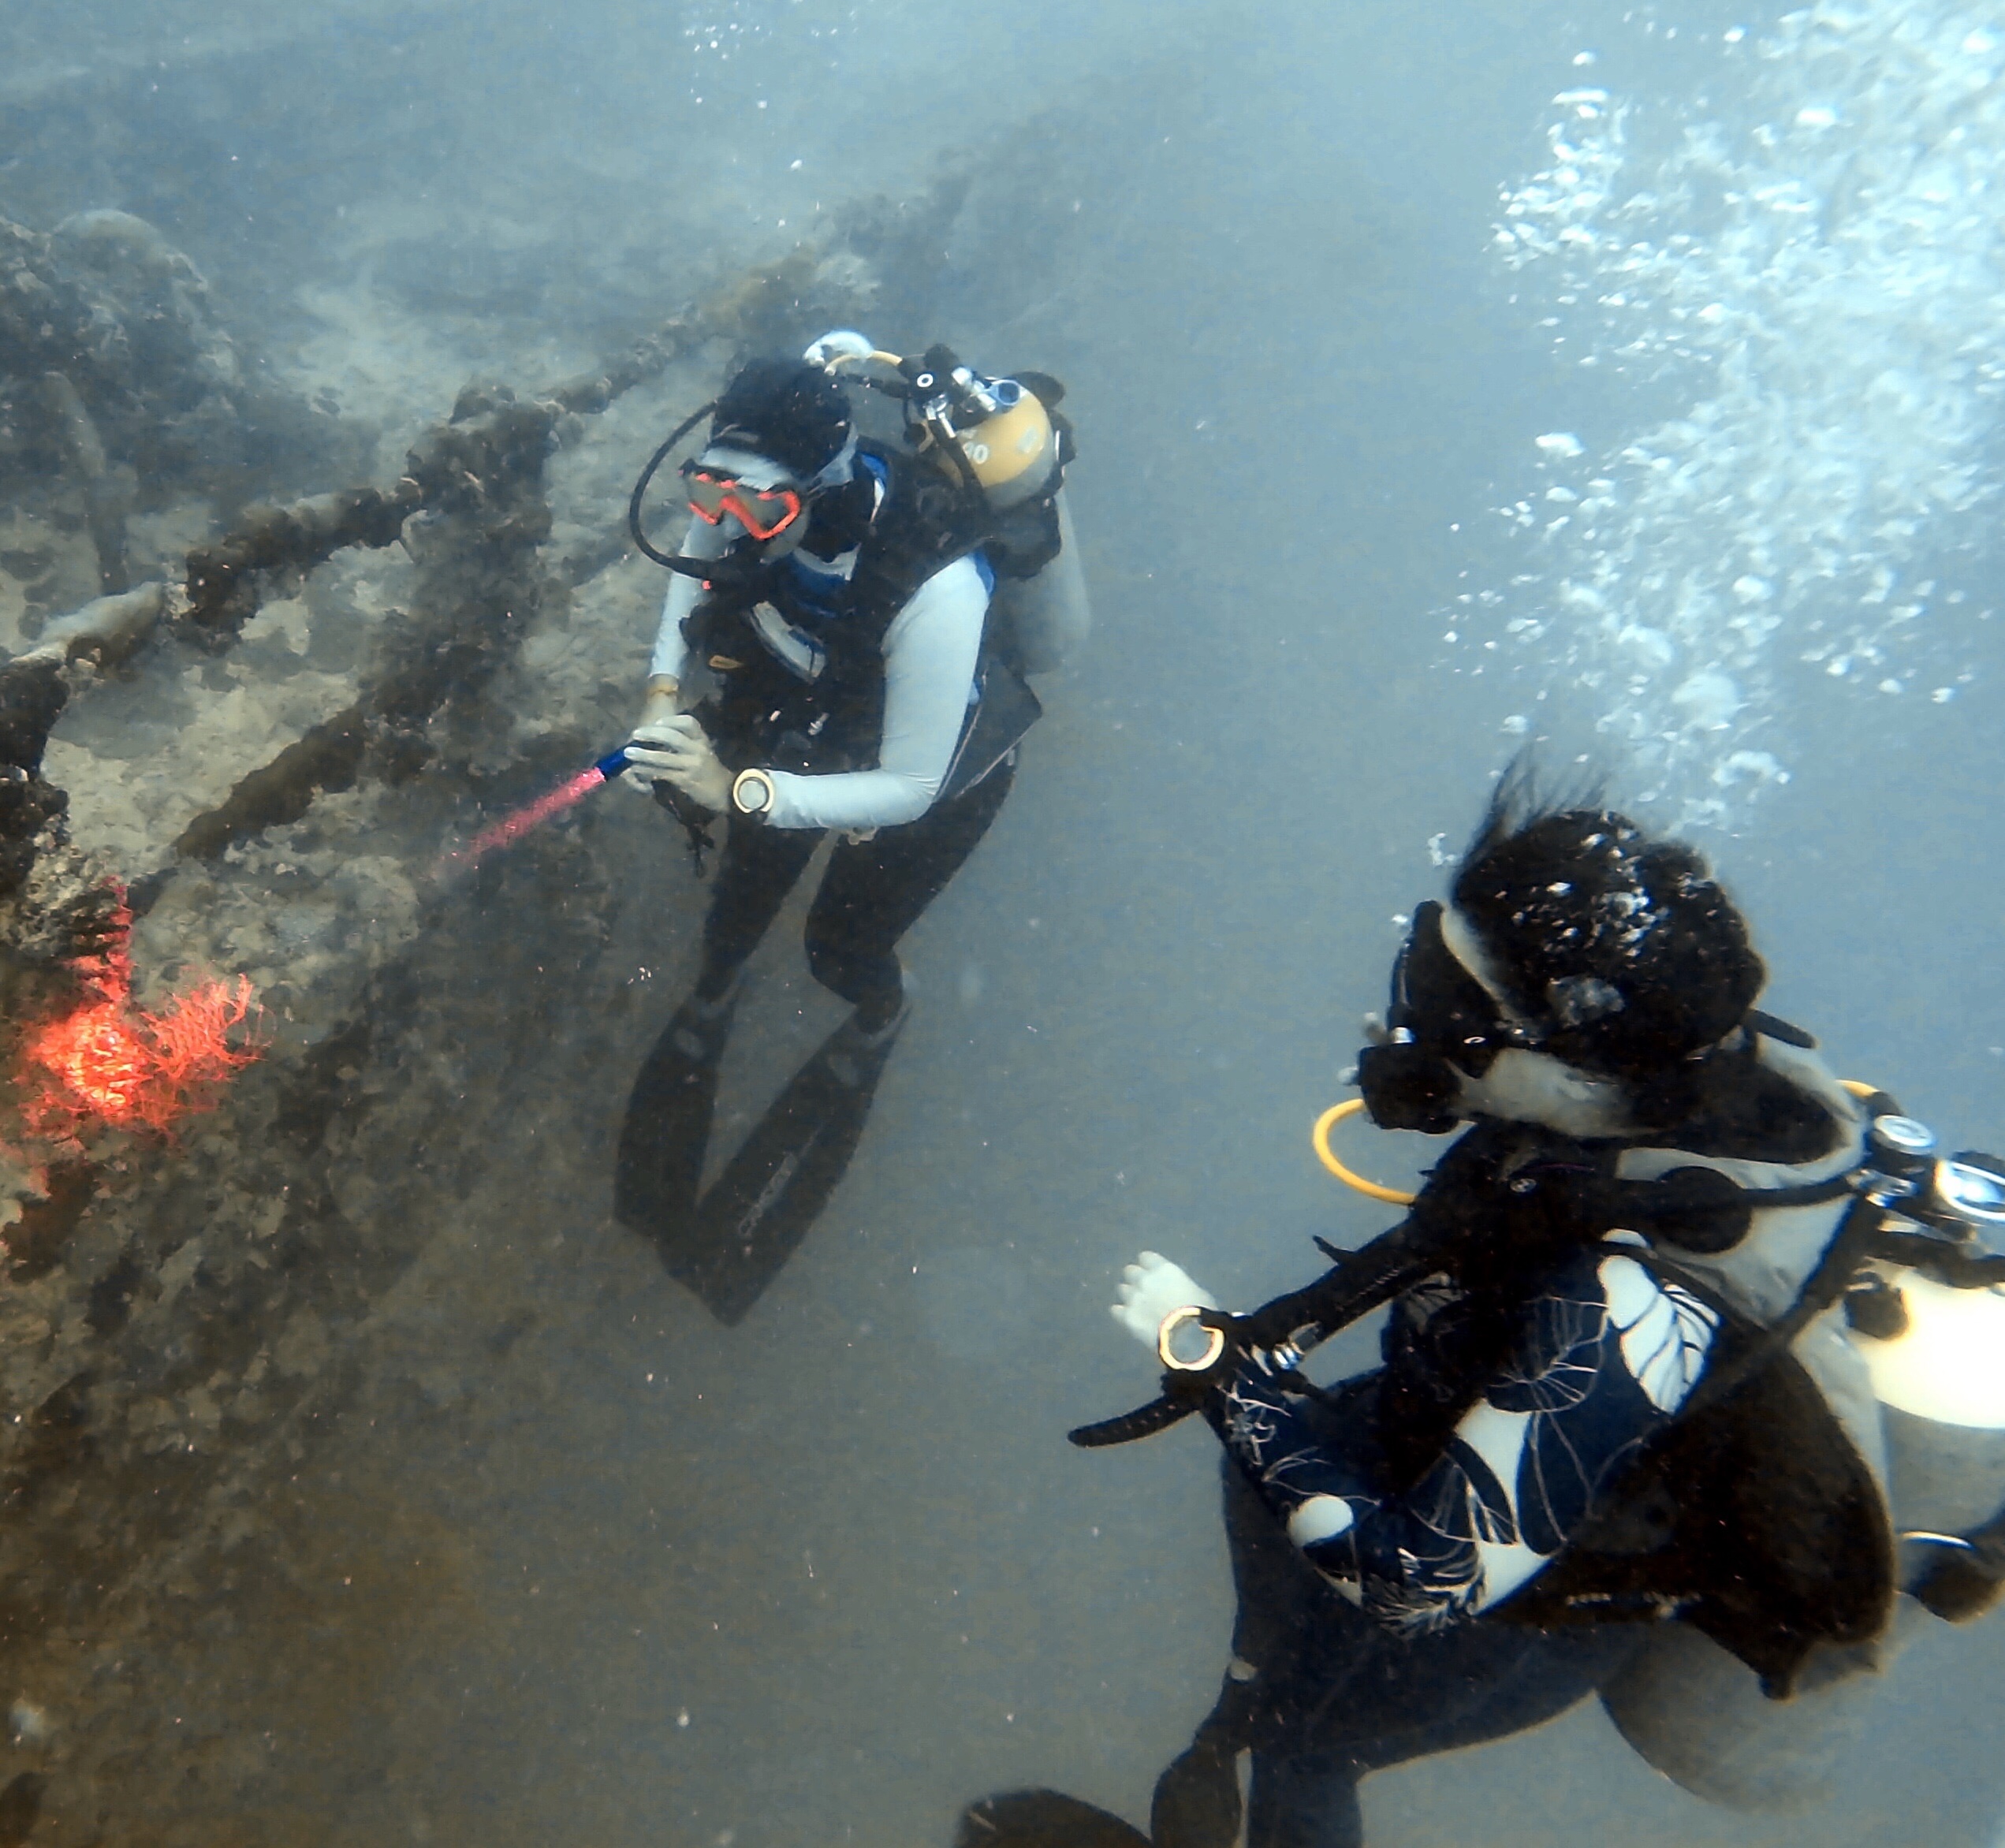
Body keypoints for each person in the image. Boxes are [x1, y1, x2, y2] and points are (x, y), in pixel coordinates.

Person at [960, 772, 2005, 1847]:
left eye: (1451, 1011)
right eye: (1424, 973)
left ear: (1573, 1058)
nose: (1405, 1023)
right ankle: (1238, 1720)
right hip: (1421, 1434)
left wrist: (1215, 1366)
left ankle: (1266, 1739)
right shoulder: (1630, 1098)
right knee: (1280, 1687)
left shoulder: (1636, 1299)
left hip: (1525, 1618)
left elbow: (1417, 1577)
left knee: (1313, 1750)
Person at [613, 334, 1086, 1323]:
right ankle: (710, 1008)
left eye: (759, 511)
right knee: (735, 913)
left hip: (937, 779)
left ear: (821, 486)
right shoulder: (746, 493)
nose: (729, 524)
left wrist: (736, 788)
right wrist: (662, 692)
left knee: (837, 947)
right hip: (809, 723)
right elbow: (690, 563)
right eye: (709, 491)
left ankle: (882, 1016)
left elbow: (909, 786)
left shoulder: (935, 583)